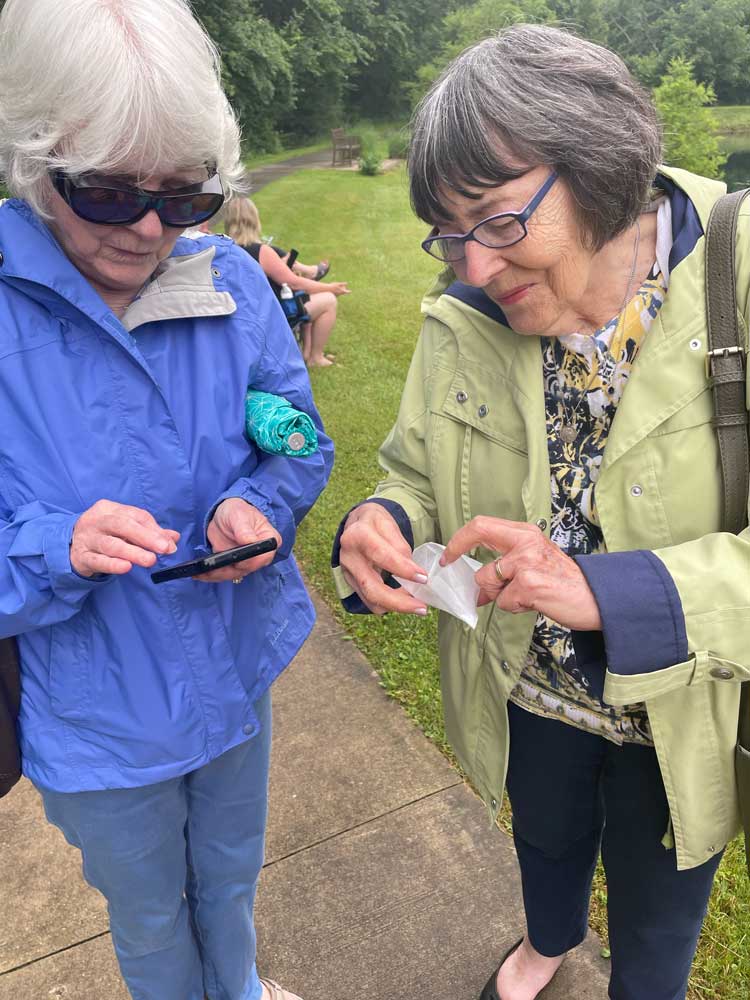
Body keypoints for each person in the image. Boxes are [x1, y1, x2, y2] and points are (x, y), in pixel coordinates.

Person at [332, 24, 750, 1000]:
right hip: (528, 688)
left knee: (659, 909)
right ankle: (548, 941)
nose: (471, 268)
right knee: (545, 840)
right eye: (449, 232)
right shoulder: (465, 315)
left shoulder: (737, 278)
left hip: (683, 708)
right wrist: (383, 516)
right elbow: (412, 469)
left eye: (498, 220)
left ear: (605, 168)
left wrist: (613, 592)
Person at [0, 3, 333, 1000]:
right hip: (97, 724)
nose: (149, 230)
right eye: (105, 194)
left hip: (234, 676)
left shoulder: (229, 281)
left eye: (185, 198)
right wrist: (55, 546)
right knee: (148, 914)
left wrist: (263, 504)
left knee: (228, 884)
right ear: (32, 159)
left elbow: (299, 437)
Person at [223, 195, 350, 367]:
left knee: (307, 297)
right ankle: (315, 357)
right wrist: (330, 287)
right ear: (254, 219)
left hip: (242, 315)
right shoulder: (262, 251)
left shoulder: (224, 249)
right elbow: (295, 283)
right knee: (328, 300)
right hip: (270, 315)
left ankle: (305, 352)